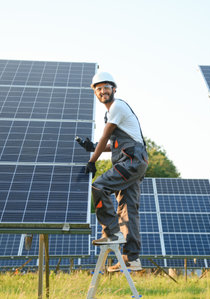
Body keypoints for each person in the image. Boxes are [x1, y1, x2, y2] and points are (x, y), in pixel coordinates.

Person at [76, 71, 148, 272]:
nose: (102, 91)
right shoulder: (113, 112)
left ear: (114, 89)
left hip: (131, 161)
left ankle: (111, 233)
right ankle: (131, 259)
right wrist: (94, 147)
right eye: (98, 89)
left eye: (105, 87)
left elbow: (106, 135)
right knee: (127, 210)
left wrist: (93, 160)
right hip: (135, 161)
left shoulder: (117, 106)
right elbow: (113, 143)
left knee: (99, 186)